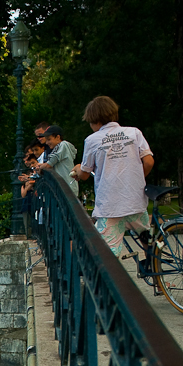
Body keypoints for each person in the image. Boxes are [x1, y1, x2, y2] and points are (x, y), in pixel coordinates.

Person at [71, 96, 154, 257]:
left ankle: (109, 281)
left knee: (107, 255)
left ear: (94, 120)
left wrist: (78, 169)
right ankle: (155, 270)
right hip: (135, 200)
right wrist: (135, 179)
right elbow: (149, 162)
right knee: (146, 237)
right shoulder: (134, 133)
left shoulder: (92, 140)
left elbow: (85, 174)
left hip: (111, 206)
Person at [38, 126, 78, 194]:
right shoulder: (61, 147)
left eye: (49, 139)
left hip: (67, 188)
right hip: (65, 187)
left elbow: (49, 164)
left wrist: (40, 167)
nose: (47, 142)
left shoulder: (63, 145)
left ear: (58, 137)